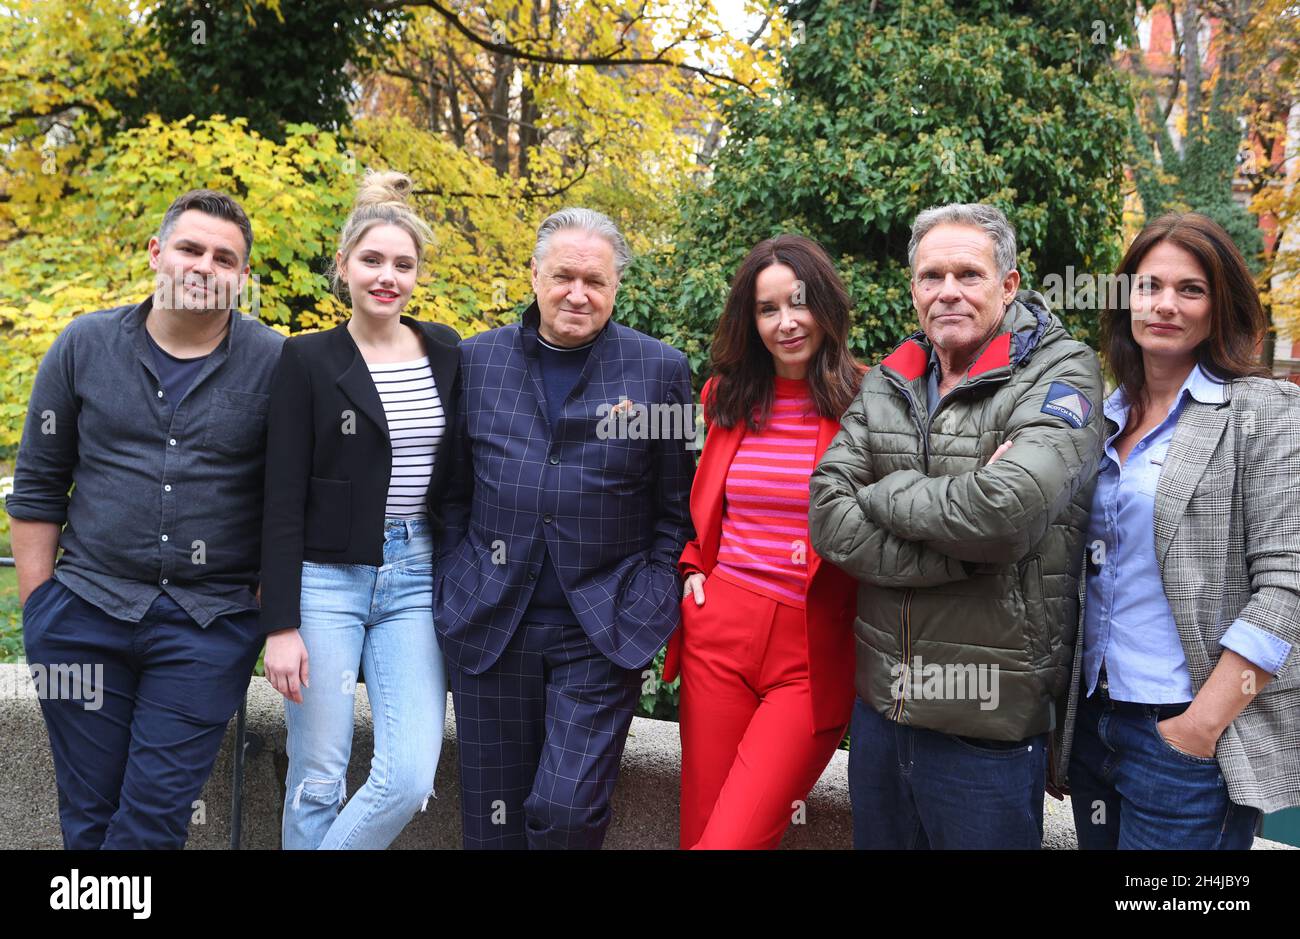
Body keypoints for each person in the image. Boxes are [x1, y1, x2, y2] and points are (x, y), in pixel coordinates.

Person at [809, 202, 1104, 849]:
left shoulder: (1062, 372)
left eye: (968, 273)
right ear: (913, 288)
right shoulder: (892, 377)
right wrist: (963, 549)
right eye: (930, 275)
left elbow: (1004, 514)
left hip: (986, 732)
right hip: (883, 717)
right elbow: (827, 514)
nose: (947, 290)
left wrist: (883, 492)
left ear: (1009, 284)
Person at [7, 189, 284, 849]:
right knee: (89, 818)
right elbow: (40, 482)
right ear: (158, 253)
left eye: (224, 257)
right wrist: (41, 609)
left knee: (151, 822)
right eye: (190, 248)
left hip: (207, 626)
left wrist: (263, 607)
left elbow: (290, 502)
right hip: (82, 615)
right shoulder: (84, 344)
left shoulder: (275, 362)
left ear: (242, 278)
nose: (203, 266)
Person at [435, 207, 694, 849]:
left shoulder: (659, 371)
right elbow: (449, 495)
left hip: (602, 627)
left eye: (595, 281)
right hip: (491, 624)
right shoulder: (475, 361)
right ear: (534, 275)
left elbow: (677, 502)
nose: (578, 293)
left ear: (615, 288)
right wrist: (453, 583)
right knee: (490, 828)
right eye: (563, 276)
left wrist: (656, 590)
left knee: (566, 810)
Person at [1060, 212, 1300, 850]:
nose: (1166, 304)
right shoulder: (1099, 418)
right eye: (1149, 286)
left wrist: (1201, 727)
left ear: (1219, 307)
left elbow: (1287, 590)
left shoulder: (1261, 411)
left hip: (1185, 738)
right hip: (1095, 724)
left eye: (1190, 289)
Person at [259, 171, 460, 850]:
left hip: (415, 574)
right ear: (342, 265)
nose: (388, 277)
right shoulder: (307, 358)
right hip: (324, 578)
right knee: (317, 776)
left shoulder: (447, 352)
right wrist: (280, 623)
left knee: (407, 776)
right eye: (372, 260)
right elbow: (280, 496)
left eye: (404, 264)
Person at [662, 234, 863, 849]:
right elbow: (707, 503)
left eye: (797, 303)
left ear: (824, 305)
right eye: (767, 309)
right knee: (701, 829)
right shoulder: (726, 398)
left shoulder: (870, 399)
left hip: (811, 649)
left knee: (730, 841)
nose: (786, 322)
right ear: (750, 321)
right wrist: (695, 567)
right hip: (719, 631)